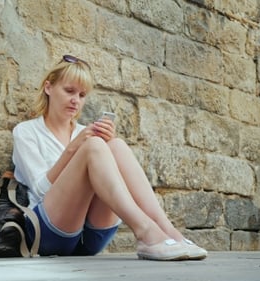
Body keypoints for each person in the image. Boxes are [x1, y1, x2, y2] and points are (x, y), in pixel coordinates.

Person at [12, 54, 207, 261]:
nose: (75, 100)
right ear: (48, 88)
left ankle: (169, 231)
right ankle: (145, 232)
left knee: (116, 145)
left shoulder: (82, 131)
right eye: (69, 91)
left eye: (82, 95)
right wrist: (73, 148)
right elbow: (40, 190)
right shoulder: (26, 132)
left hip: (91, 237)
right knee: (94, 145)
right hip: (49, 234)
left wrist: (106, 150)